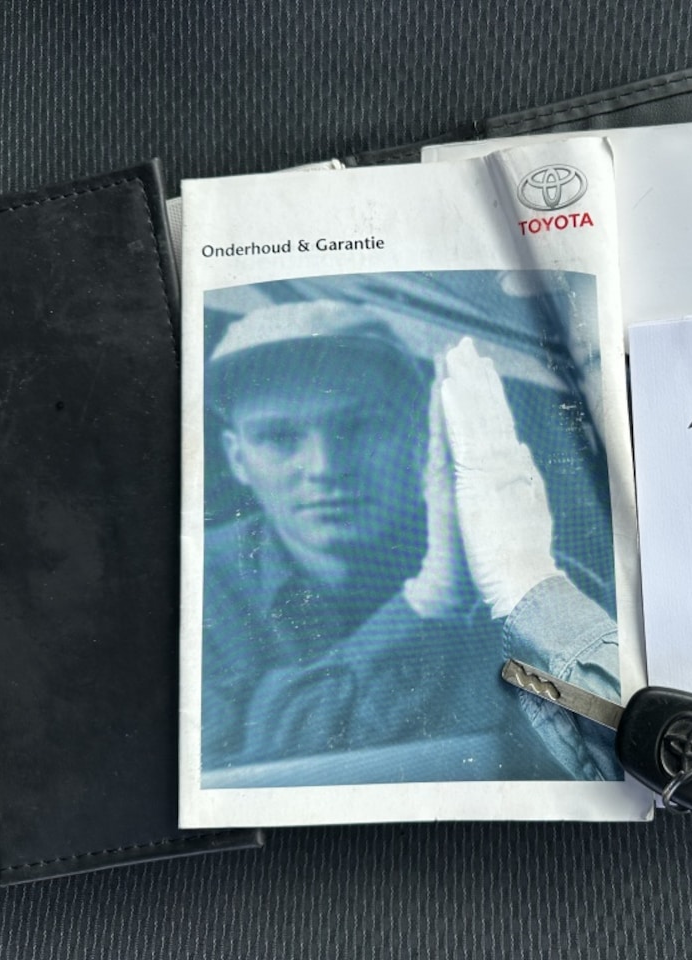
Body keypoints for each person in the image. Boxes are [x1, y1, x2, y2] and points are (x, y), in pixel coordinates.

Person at [200, 299, 619, 783]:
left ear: (419, 436)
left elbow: (606, 733)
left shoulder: (518, 568)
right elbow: (225, 754)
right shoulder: (196, 584)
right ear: (237, 457)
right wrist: (427, 601)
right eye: (277, 438)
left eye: (358, 427)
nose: (324, 468)